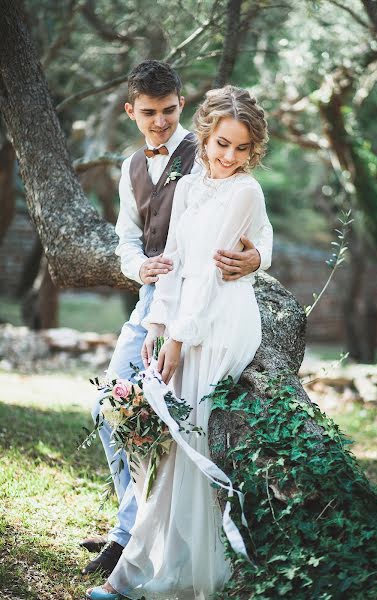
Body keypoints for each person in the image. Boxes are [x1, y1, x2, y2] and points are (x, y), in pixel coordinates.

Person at [82, 62, 272, 578]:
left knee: (176, 421)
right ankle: (137, 523)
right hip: (157, 299)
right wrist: (138, 268)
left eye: (168, 111)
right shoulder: (131, 168)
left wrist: (258, 259)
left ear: (183, 108)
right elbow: (128, 238)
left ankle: (130, 538)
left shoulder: (211, 149)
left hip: (204, 309)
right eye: (149, 113)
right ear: (131, 112)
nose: (160, 123)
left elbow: (257, 229)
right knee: (114, 407)